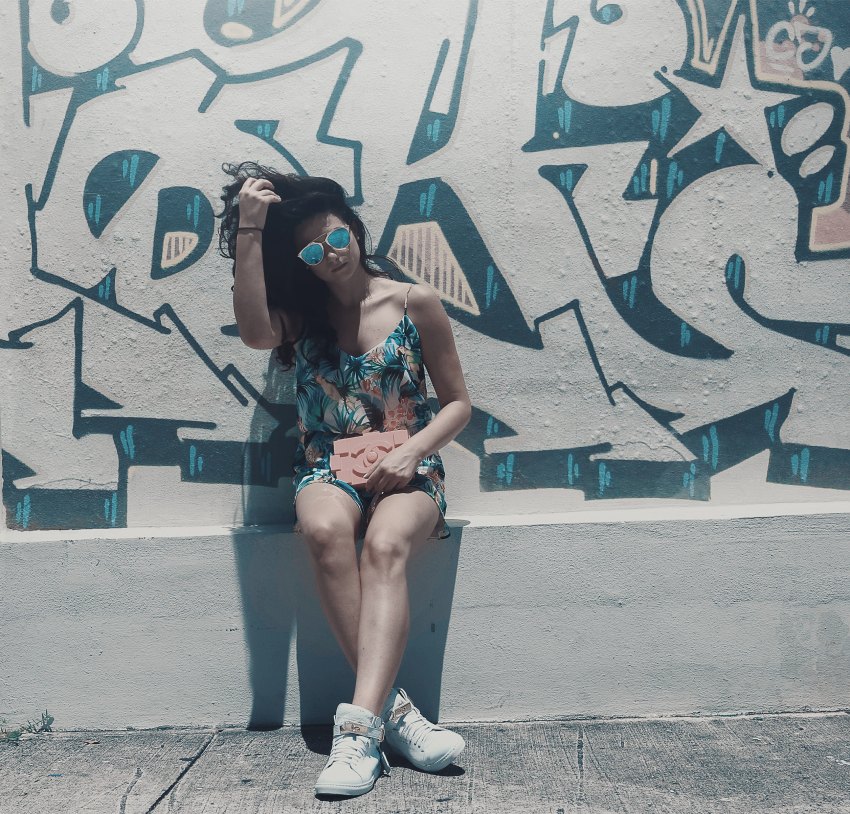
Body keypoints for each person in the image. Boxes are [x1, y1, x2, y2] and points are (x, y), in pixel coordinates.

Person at [218, 162, 472, 798]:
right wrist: (250, 228)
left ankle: (357, 735)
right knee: (327, 530)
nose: (328, 255)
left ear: (355, 231)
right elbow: (253, 332)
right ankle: (393, 720)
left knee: (385, 547)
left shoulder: (416, 301)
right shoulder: (301, 318)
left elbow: (459, 405)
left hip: (411, 472)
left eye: (336, 238)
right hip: (328, 469)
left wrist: (411, 452)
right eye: (311, 249)